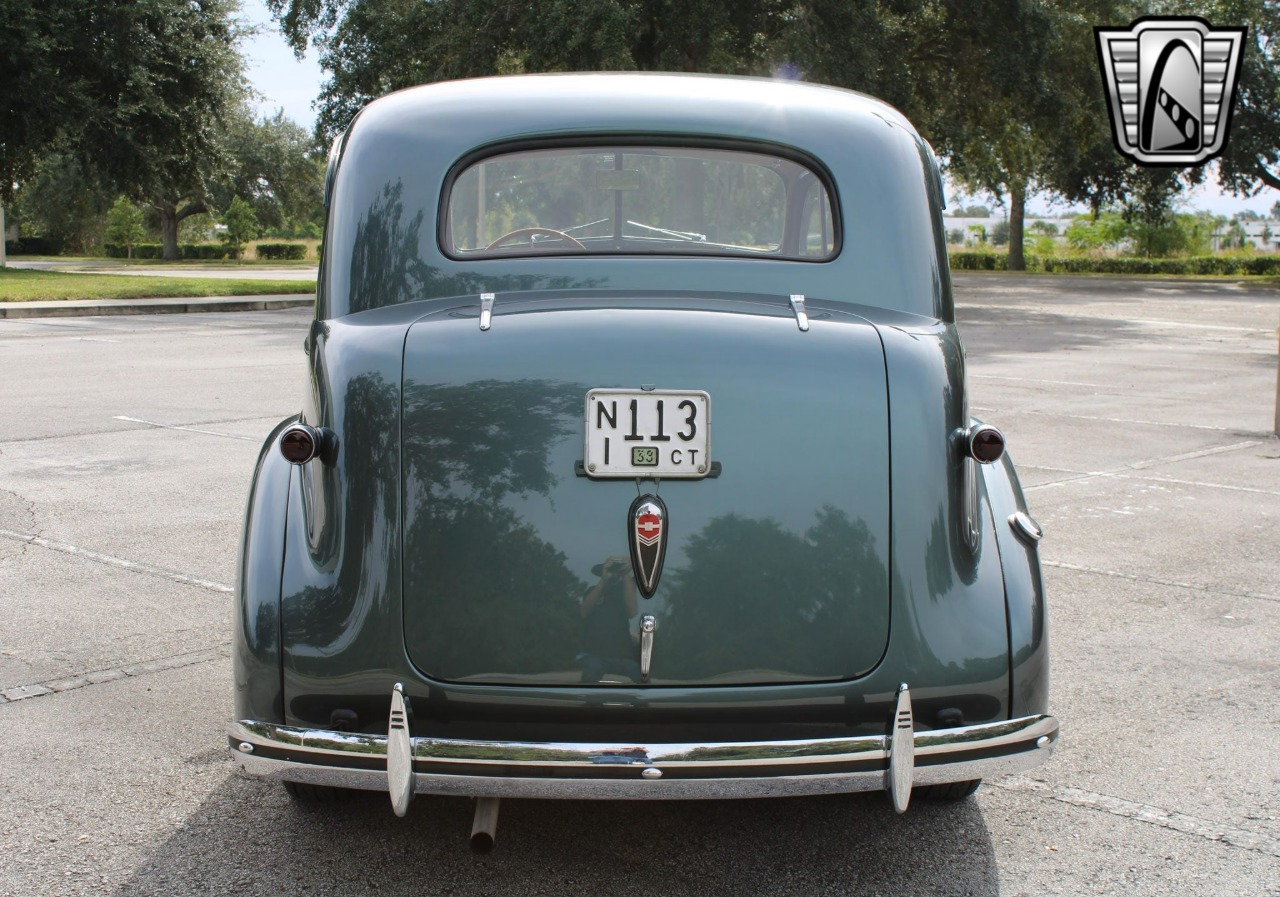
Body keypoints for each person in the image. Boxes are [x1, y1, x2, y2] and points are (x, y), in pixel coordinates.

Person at [579, 556, 639, 683]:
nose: (613, 573)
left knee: (642, 679)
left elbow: (632, 611)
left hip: (623, 656)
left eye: (617, 570)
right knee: (589, 678)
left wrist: (626, 573)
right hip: (595, 655)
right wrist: (604, 580)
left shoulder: (626, 591)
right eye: (610, 569)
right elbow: (584, 612)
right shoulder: (593, 591)